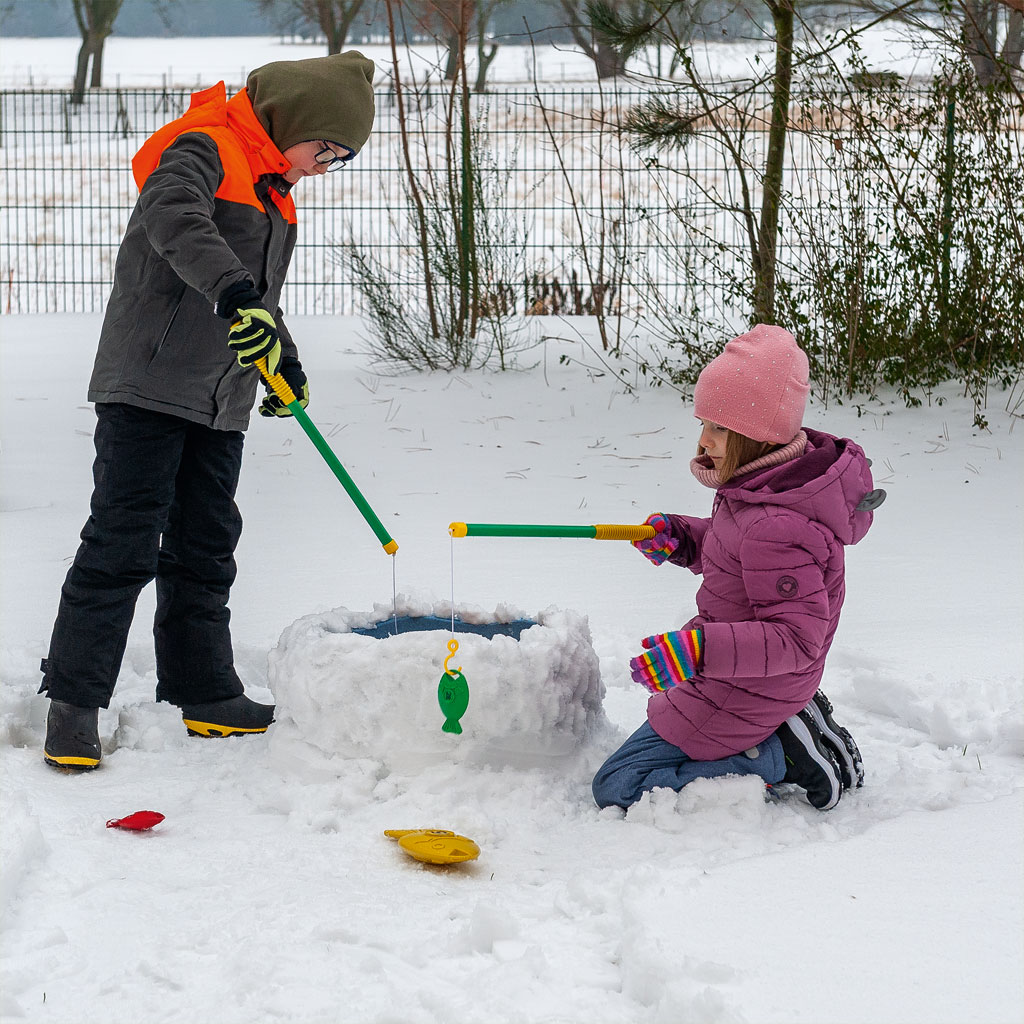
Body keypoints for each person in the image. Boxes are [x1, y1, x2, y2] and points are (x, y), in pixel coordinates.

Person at [39, 52, 376, 770]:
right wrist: (233, 296)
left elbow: (254, 295)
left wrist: (281, 357)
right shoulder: (203, 146)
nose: (326, 166)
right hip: (150, 382)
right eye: (326, 148)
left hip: (220, 398)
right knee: (124, 539)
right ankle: (73, 704)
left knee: (207, 542)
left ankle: (203, 689)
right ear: (292, 120)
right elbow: (173, 218)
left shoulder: (274, 188)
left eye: (339, 159)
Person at [593, 324, 882, 811]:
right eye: (703, 423)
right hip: (744, 675)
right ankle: (788, 723)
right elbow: (739, 555)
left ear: (758, 437)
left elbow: (796, 638)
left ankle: (783, 754)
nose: (704, 440)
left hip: (747, 684)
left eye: (719, 427)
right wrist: (684, 538)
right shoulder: (763, 490)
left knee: (619, 784)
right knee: (635, 765)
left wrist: (699, 650)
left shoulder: (777, 522)